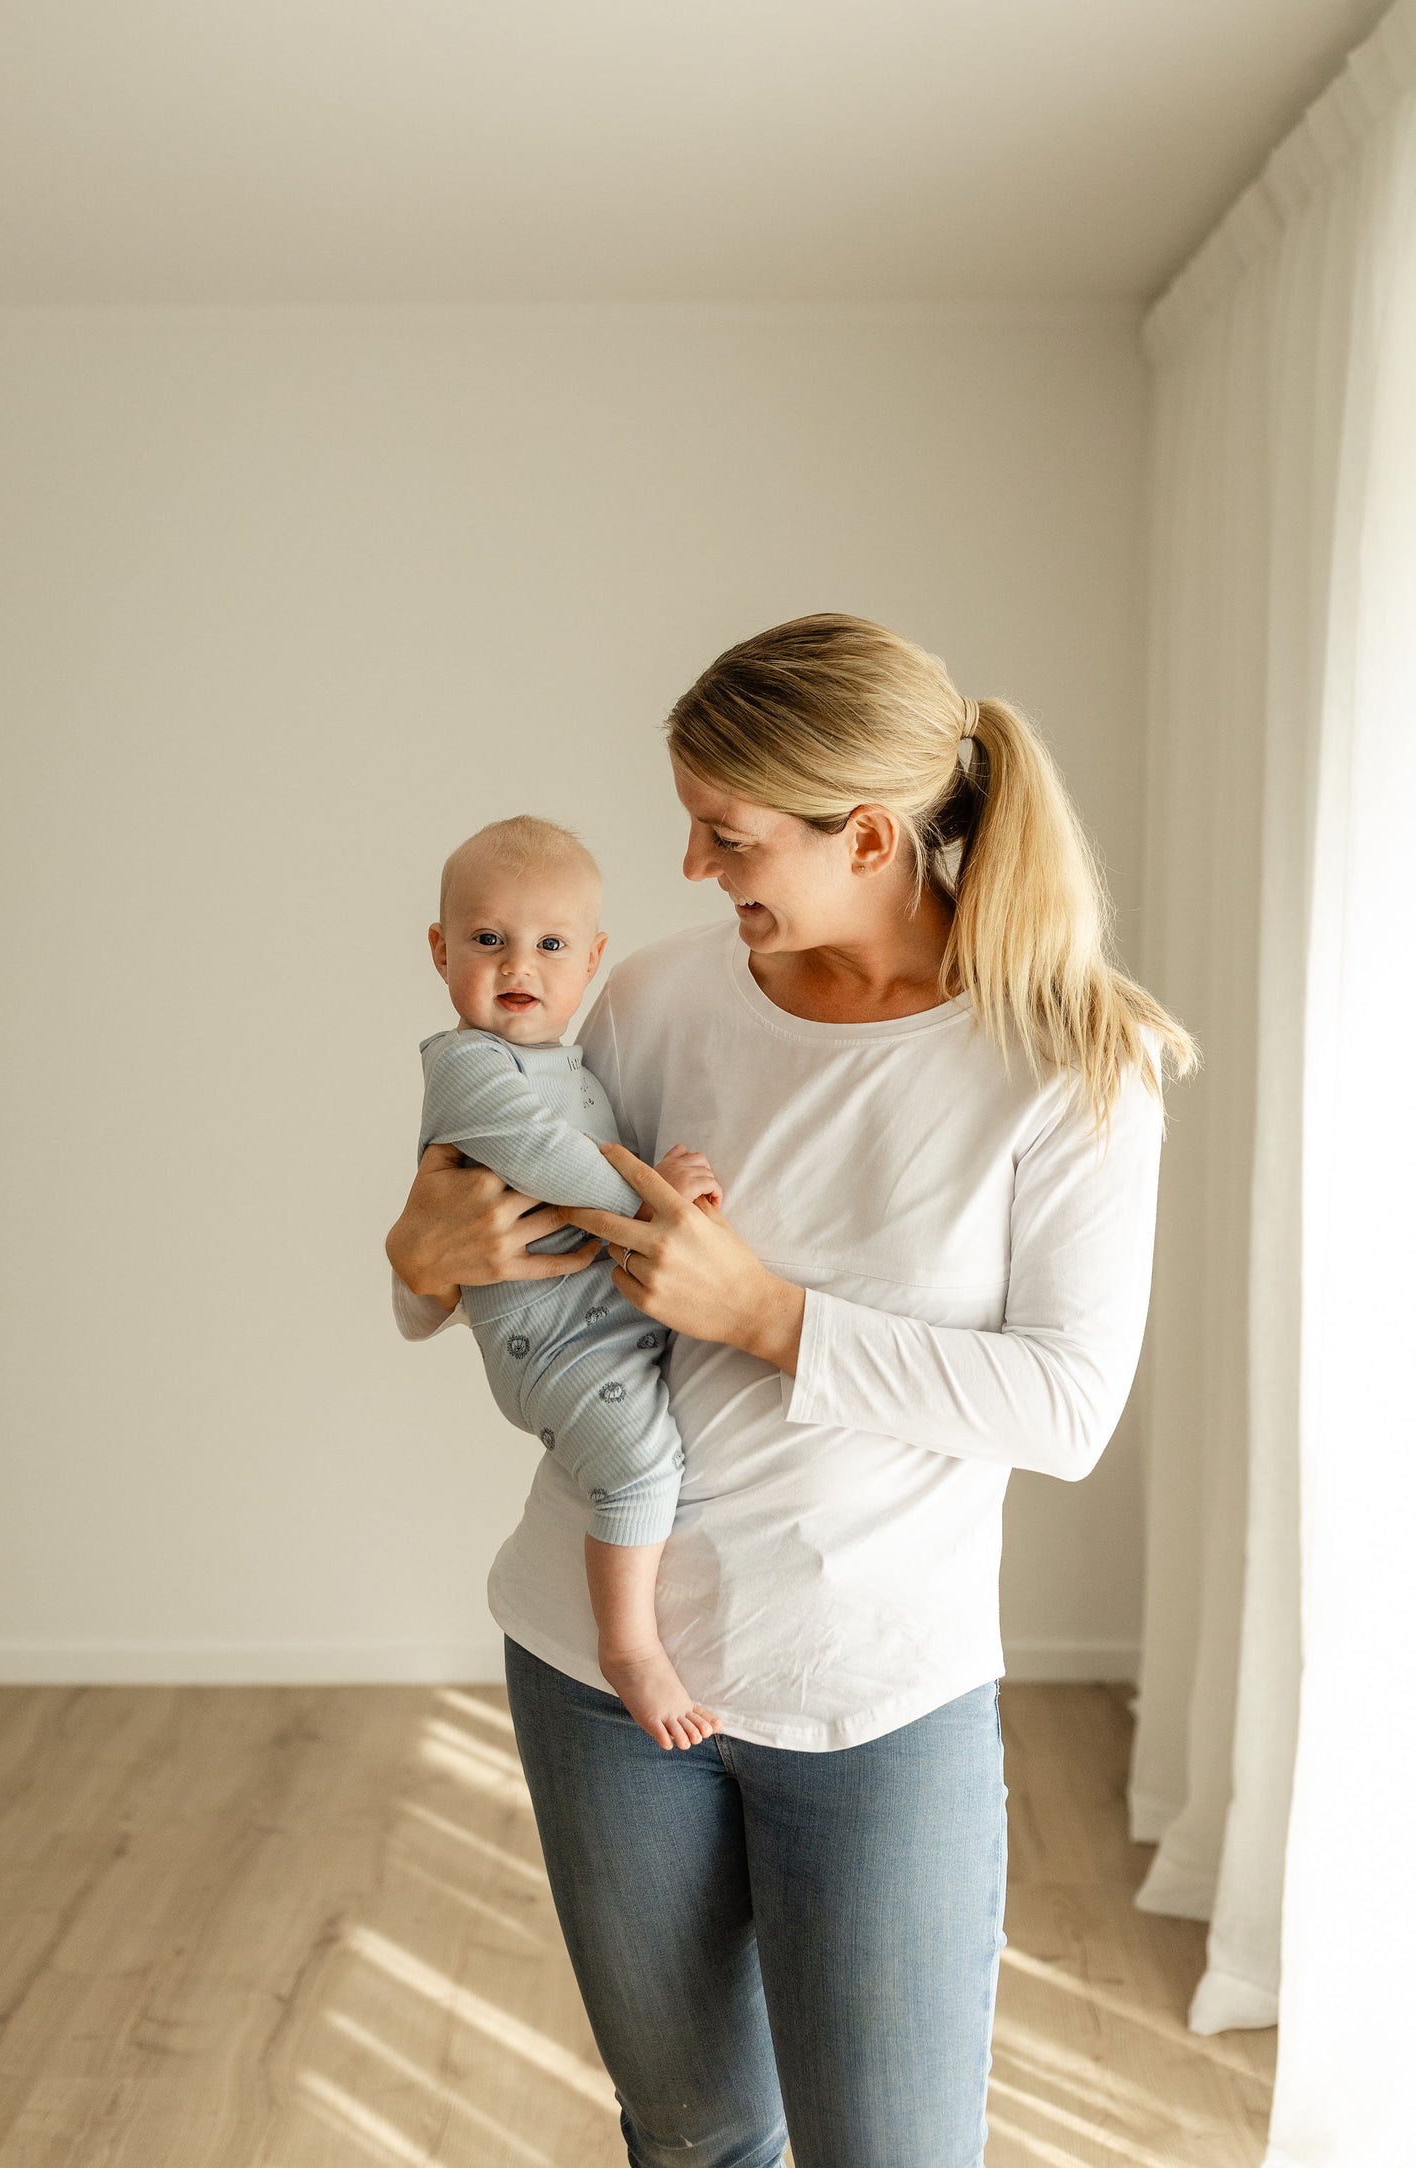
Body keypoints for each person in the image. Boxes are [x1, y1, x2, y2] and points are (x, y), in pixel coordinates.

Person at [386, 613, 1196, 2168]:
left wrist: (765, 1314)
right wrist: (420, 1257)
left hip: (876, 1698)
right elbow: (499, 1270)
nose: (690, 867)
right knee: (692, 2144)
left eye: (727, 833)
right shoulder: (661, 1000)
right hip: (595, 1668)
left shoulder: (1070, 1062)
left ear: (871, 835)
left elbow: (1067, 1410)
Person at [415, 812, 724, 1750]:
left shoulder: (569, 1065)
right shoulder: (465, 1065)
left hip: (594, 1323)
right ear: (439, 951)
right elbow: (551, 1163)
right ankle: (629, 1646)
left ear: (591, 960)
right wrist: (657, 1198)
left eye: (549, 945)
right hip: (545, 1344)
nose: (519, 967)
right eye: (487, 941)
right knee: (637, 1465)